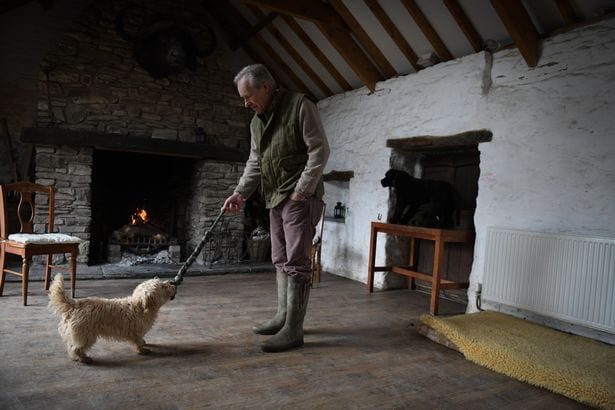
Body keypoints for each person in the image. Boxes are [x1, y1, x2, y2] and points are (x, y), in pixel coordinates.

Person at [222, 64, 330, 353]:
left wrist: (301, 191)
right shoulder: (257, 122)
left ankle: (294, 330)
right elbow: (255, 162)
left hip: (299, 198)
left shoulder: (300, 106)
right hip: (275, 199)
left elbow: (319, 150)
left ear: (265, 87)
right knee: (280, 258)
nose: (246, 104)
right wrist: (239, 193)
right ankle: (283, 316)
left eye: (248, 97)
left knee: (297, 262)